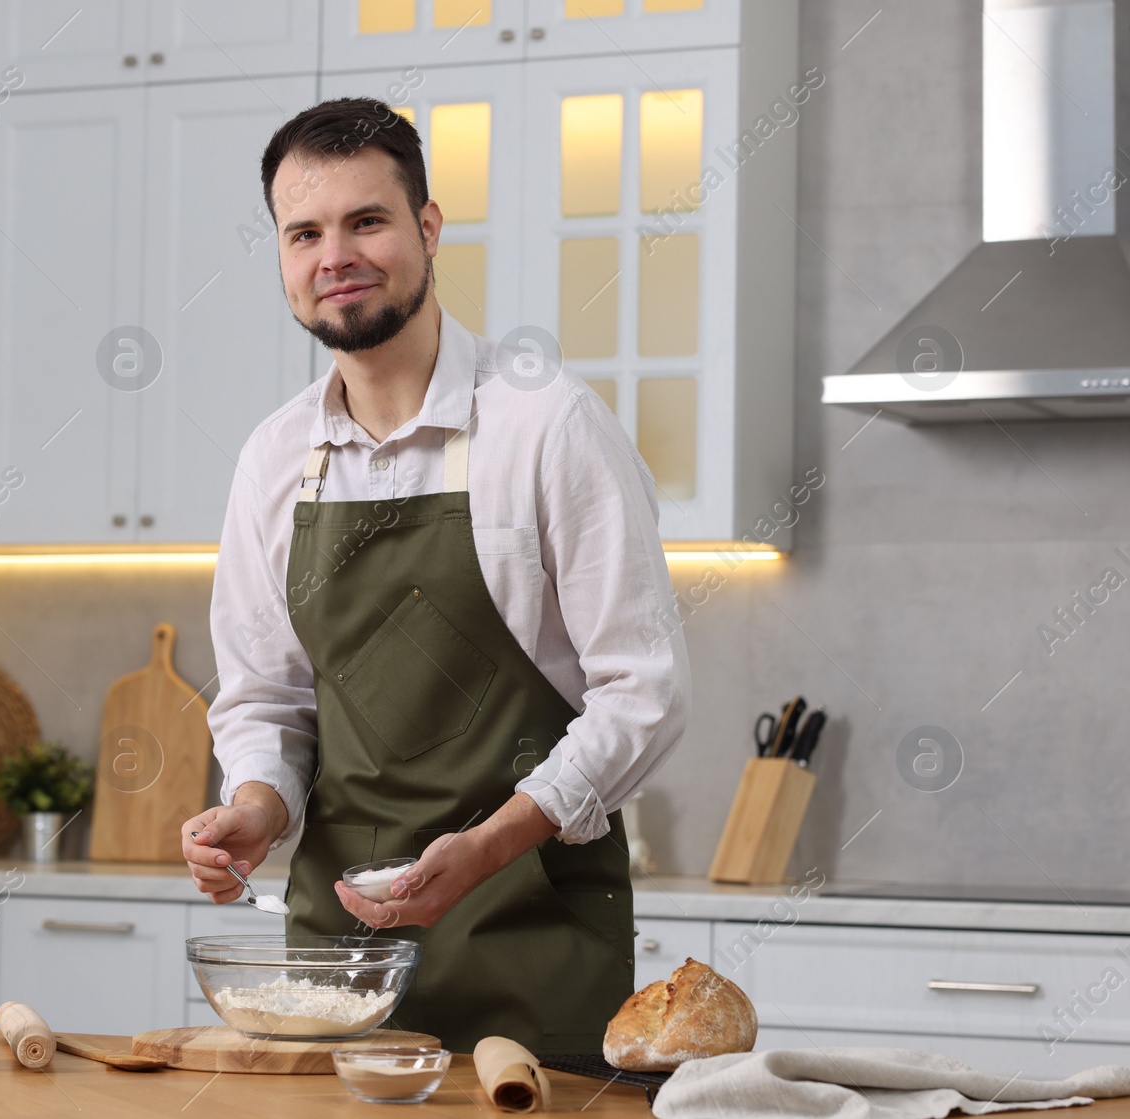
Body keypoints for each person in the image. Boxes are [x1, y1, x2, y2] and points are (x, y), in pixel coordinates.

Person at [181, 96, 690, 1054]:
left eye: (366, 221)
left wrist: (488, 848)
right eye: (305, 232)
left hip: (533, 944)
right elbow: (266, 701)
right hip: (344, 963)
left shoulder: (548, 424)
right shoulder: (273, 456)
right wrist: (254, 808)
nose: (336, 255)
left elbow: (646, 695)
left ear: (427, 228)